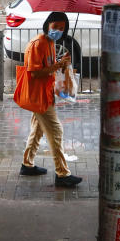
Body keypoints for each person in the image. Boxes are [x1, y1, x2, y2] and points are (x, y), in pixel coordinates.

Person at [18, 11, 82, 187]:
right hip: (38, 97)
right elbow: (34, 72)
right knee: (56, 132)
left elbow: (48, 68)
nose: (58, 31)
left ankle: (27, 164)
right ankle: (62, 174)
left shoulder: (51, 43)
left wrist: (60, 62)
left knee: (37, 130)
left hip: (46, 94)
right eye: (55, 27)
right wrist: (56, 65)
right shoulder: (38, 44)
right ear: (47, 25)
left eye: (62, 28)